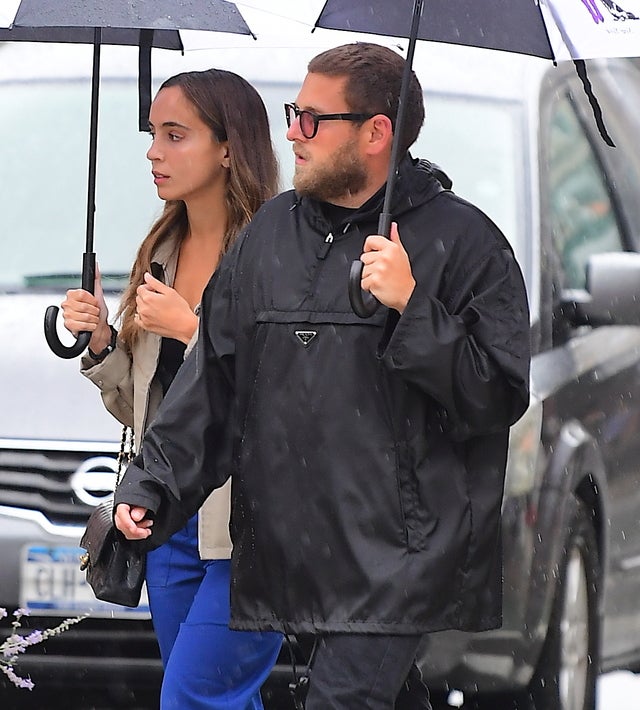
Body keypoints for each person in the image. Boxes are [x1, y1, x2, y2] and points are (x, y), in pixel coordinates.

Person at [113, 42, 531, 709]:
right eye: (292, 113)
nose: (291, 133)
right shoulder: (271, 233)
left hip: (400, 553)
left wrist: (412, 308)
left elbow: (495, 397)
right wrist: (155, 486)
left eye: (313, 119)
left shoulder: (468, 243)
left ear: (376, 132)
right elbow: (215, 381)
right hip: (292, 543)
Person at [61, 68, 282, 710]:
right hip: (170, 518)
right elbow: (150, 412)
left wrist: (192, 327)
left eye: (176, 134)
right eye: (153, 134)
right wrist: (104, 341)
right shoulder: (162, 248)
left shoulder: (275, 252)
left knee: (191, 698)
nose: (155, 151)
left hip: (252, 522)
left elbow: (292, 396)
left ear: (228, 147)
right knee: (223, 701)